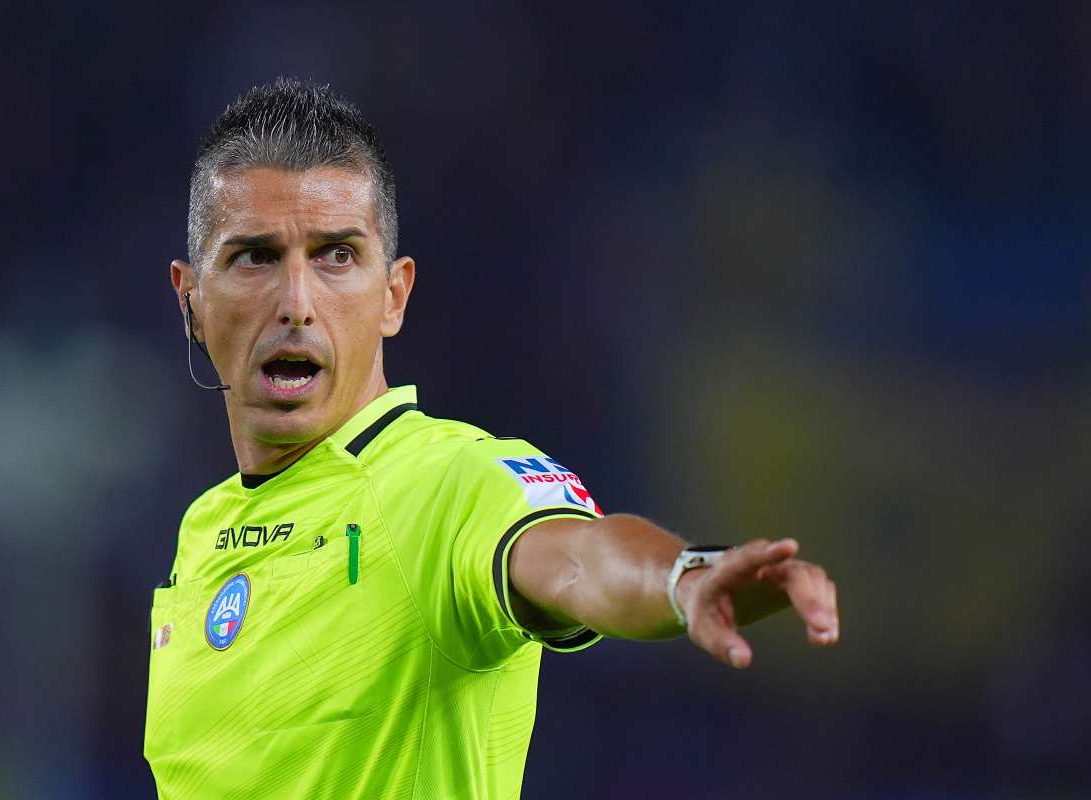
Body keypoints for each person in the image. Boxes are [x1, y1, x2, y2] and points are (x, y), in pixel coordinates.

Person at [145, 79, 840, 800]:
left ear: (393, 296)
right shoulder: (203, 532)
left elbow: (579, 558)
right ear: (191, 301)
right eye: (256, 257)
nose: (297, 303)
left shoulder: (448, 482)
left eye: (336, 256)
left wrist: (679, 577)